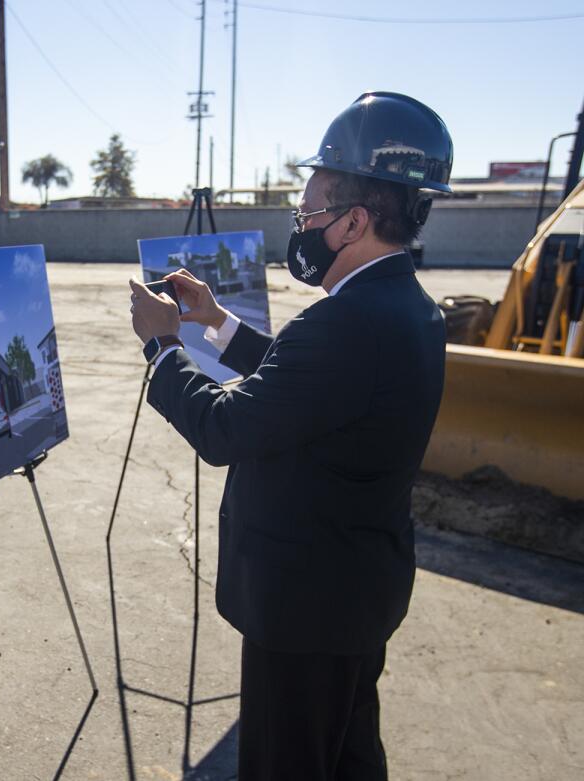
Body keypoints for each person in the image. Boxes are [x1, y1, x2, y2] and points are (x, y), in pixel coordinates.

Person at [127, 92, 454, 780]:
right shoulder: (406, 308)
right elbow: (306, 388)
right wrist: (214, 321)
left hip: (307, 610)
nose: (299, 227)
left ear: (353, 222)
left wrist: (162, 348)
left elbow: (227, 428)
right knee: (349, 752)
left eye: (307, 214)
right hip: (357, 593)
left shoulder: (343, 324)